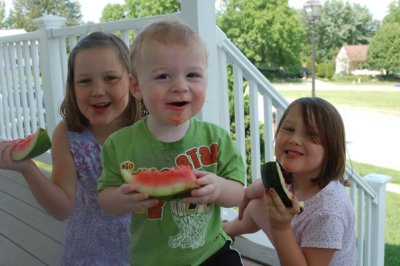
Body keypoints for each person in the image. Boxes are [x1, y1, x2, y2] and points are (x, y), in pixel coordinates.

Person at [97, 20, 246, 266]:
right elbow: (105, 196)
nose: (180, 86)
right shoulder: (119, 144)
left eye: (193, 75)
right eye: (163, 76)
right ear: (136, 87)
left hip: (210, 252)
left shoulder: (216, 139)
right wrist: (120, 199)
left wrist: (218, 188)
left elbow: (238, 192)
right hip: (152, 259)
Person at [0, 31, 147, 265]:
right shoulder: (68, 134)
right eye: (85, 81)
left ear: (131, 82)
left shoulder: (152, 130)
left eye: (110, 78)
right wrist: (27, 168)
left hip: (148, 250)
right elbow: (62, 208)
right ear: (72, 87)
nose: (98, 90)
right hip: (88, 253)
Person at [223, 97, 356, 266]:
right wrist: (247, 194)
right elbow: (264, 185)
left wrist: (281, 227)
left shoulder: (329, 211)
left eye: (311, 134)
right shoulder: (292, 173)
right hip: (292, 244)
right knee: (258, 203)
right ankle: (225, 232)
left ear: (330, 150)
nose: (294, 139)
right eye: (289, 129)